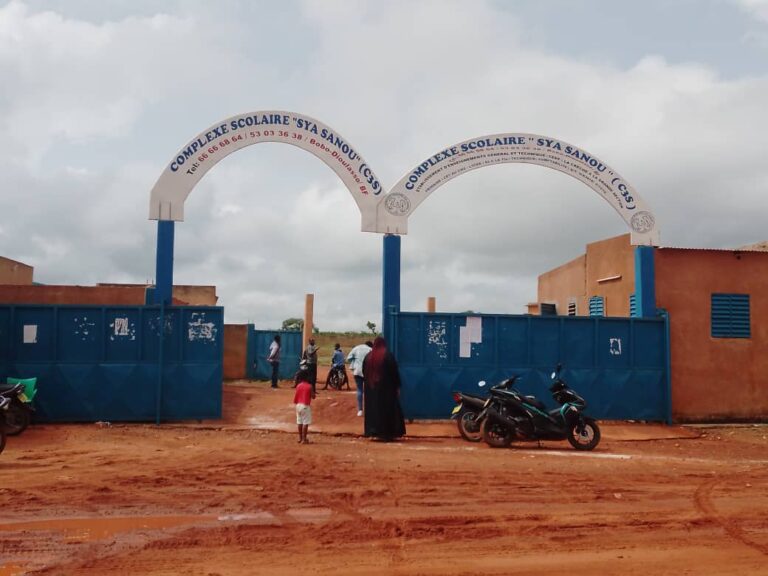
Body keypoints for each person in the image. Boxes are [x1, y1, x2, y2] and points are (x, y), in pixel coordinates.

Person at [362, 336, 406, 441]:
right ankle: (388, 433)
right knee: (387, 410)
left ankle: (374, 431)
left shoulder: (368, 357)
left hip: (371, 390)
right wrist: (397, 386)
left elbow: (364, 372)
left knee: (373, 409)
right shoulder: (388, 356)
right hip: (387, 390)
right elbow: (394, 373)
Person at [347, 340, 372, 416]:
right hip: (368, 372)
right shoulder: (370, 349)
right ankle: (369, 409)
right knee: (369, 390)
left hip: (357, 371)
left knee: (359, 389)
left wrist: (354, 362)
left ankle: (360, 410)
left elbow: (349, 358)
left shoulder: (356, 348)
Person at [293, 368, 315, 444]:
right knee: (306, 422)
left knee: (299, 422)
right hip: (305, 405)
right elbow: (313, 396)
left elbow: (296, 396)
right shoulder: (309, 386)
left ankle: (300, 438)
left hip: (298, 405)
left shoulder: (298, 386)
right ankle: (304, 439)